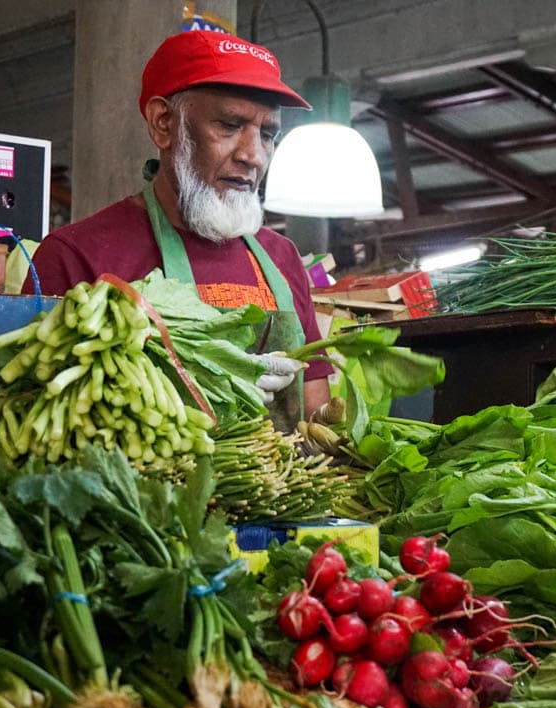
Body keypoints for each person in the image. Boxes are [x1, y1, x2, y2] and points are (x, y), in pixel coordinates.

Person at [23, 30, 332, 427]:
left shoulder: (281, 257)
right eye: (229, 125)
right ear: (163, 123)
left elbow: (318, 417)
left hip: (279, 486)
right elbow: (39, 425)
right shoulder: (75, 255)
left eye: (267, 134)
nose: (253, 156)